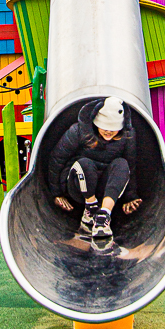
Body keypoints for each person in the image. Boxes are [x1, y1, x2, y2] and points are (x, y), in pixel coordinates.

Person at [48, 97, 142, 250]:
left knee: (121, 164)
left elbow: (130, 165)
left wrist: (130, 196)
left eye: (114, 128)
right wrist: (56, 193)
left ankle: (103, 217)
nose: (109, 131)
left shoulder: (127, 136)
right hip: (78, 184)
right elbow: (56, 159)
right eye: (105, 126)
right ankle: (90, 211)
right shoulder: (78, 131)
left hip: (103, 189)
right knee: (86, 164)